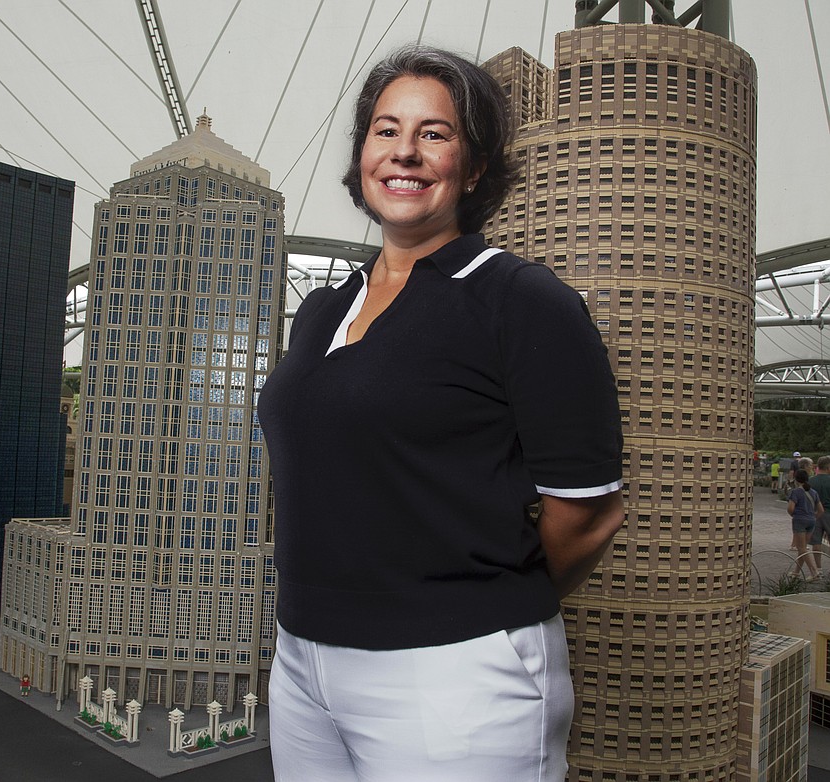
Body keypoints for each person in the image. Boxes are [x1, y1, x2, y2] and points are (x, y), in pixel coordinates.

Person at [256, 45, 624, 782]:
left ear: (475, 167)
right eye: (386, 130)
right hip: (302, 662)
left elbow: (586, 514)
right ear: (362, 154)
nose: (405, 152)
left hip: (454, 675)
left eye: (435, 133)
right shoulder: (325, 308)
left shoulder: (522, 301)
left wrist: (476, 608)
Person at [788, 469, 823, 580]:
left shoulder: (796, 492)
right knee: (802, 549)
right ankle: (796, 572)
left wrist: (794, 515)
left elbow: (790, 508)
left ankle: (814, 572)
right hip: (811, 521)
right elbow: (821, 510)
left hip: (799, 521)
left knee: (802, 549)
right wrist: (813, 517)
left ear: (796, 479)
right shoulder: (813, 492)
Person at [810, 456, 830, 572]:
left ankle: (818, 569)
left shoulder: (811, 481)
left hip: (815, 514)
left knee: (816, 542)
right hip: (829, 513)